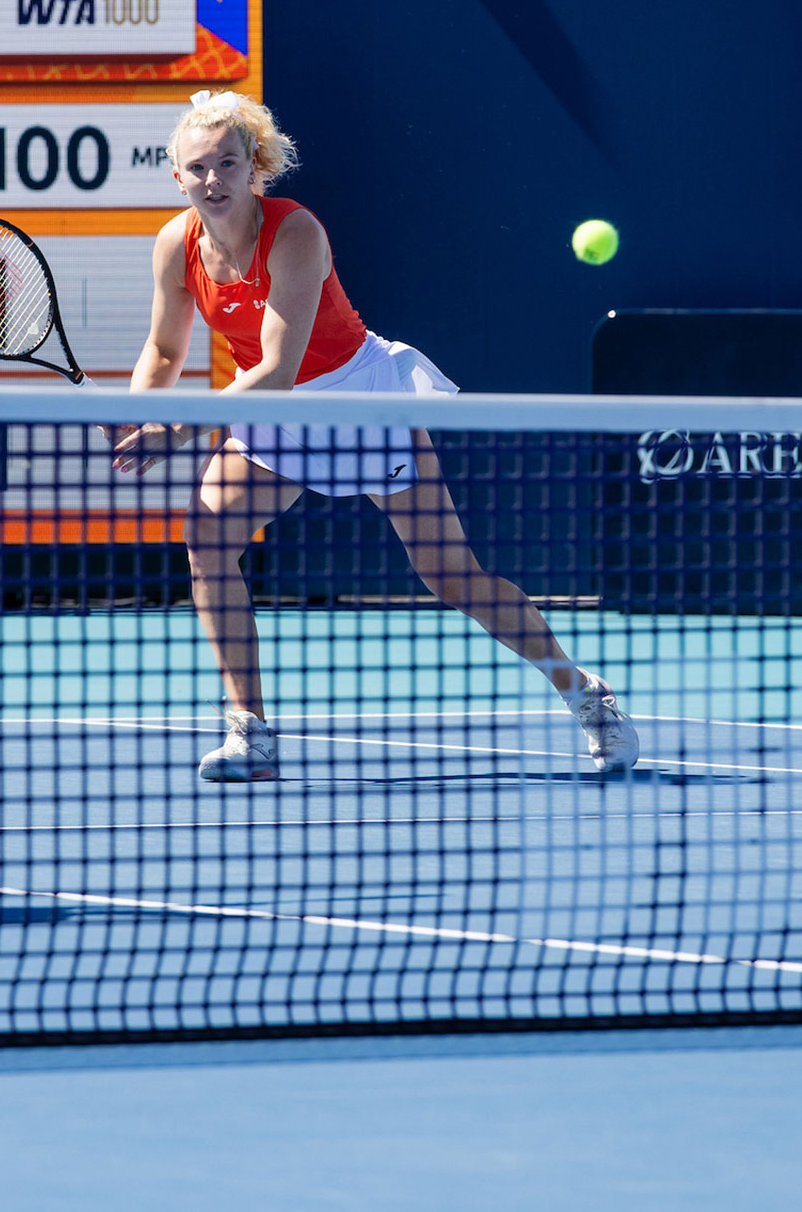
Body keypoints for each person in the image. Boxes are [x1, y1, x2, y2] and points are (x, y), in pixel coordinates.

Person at [113, 91, 640, 783]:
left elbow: (277, 368)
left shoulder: (297, 234)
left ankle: (586, 695)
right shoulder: (175, 245)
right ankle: (250, 730)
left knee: (453, 577)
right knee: (207, 538)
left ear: (255, 169)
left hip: (356, 399)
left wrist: (177, 426)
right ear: (177, 177)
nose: (214, 179)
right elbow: (162, 347)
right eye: (198, 167)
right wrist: (136, 412)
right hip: (274, 415)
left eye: (228, 163)